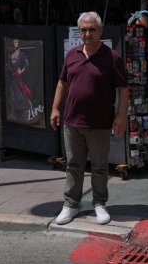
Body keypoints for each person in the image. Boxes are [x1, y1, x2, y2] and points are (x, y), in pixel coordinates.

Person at [50, 12, 129, 225]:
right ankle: (70, 205)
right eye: (83, 30)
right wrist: (55, 108)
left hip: (100, 124)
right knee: (73, 165)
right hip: (72, 122)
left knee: (99, 166)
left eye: (92, 29)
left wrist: (121, 115)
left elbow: (123, 88)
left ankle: (99, 204)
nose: (87, 34)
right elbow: (62, 83)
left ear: (100, 31)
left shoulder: (112, 57)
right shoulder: (72, 55)